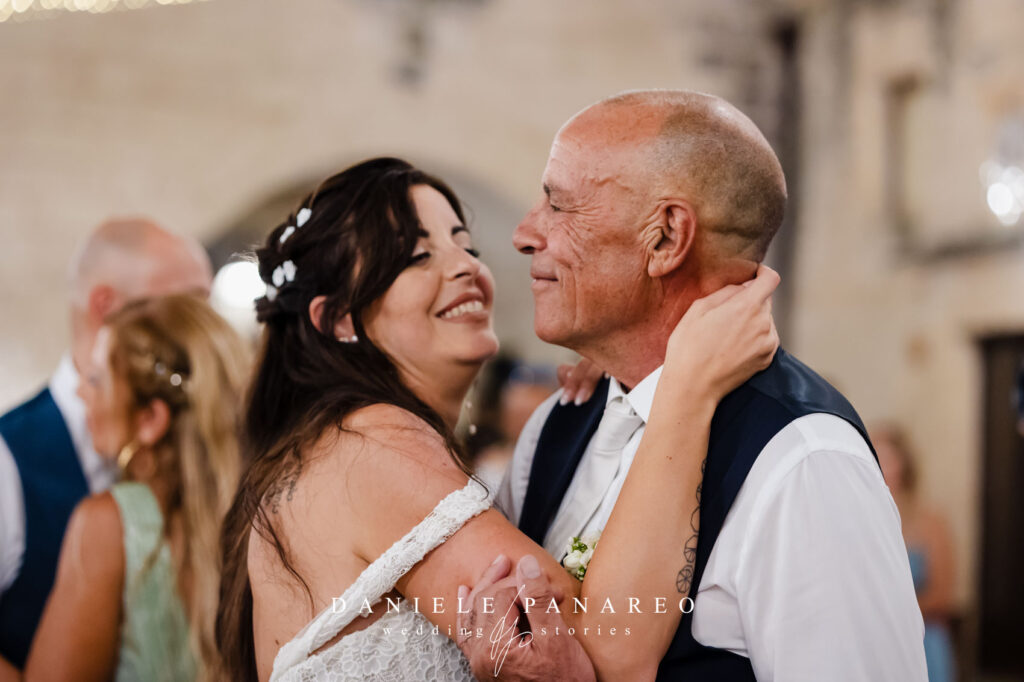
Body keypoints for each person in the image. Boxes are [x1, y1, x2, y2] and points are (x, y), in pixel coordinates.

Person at [215, 157, 779, 681]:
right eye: (418, 257)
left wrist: (620, 355)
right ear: (339, 318)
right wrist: (686, 386)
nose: (466, 266)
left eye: (465, 245)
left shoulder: (338, 446)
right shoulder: (371, 445)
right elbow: (609, 648)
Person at [459, 89, 929, 681]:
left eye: (559, 205)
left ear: (665, 238)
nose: (526, 233)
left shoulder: (804, 462)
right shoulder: (557, 423)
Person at [0, 295, 250, 682]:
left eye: (97, 380)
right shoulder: (257, 510)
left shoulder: (110, 524)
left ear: (150, 418)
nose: (81, 392)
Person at [874, 424, 957, 682]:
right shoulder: (863, 523)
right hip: (877, 644)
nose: (877, 465)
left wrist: (889, 612)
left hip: (923, 641)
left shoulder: (930, 521)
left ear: (903, 465)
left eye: (885, 458)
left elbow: (942, 596)